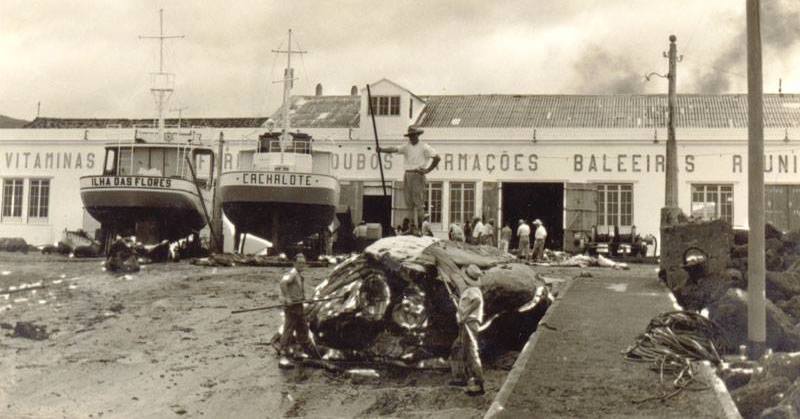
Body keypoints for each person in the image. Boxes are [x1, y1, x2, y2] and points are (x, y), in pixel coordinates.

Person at [377, 127, 441, 229]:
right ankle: (412, 227)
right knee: (409, 204)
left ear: (417, 135)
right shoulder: (406, 147)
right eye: (410, 136)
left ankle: (420, 228)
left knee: (418, 203)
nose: (411, 138)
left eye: (413, 135)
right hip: (407, 174)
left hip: (417, 174)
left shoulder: (424, 147)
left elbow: (437, 157)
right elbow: (394, 149)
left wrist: (428, 170)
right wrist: (381, 150)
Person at [278, 253, 318, 368]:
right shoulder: (292, 273)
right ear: (294, 263)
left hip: (299, 305)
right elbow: (283, 283)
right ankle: (283, 358)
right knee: (288, 331)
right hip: (292, 307)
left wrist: (306, 300)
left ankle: (298, 352)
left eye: (303, 263)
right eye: (300, 263)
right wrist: (287, 298)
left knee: (303, 329)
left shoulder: (299, 275)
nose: (302, 265)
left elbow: (297, 291)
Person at [450, 285, 485, 396]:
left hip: (469, 322)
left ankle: (478, 385)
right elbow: (465, 307)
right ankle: (463, 380)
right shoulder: (465, 295)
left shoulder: (471, 289)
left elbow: (477, 301)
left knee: (471, 352)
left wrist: (465, 315)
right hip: (466, 323)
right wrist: (456, 300)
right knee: (459, 349)